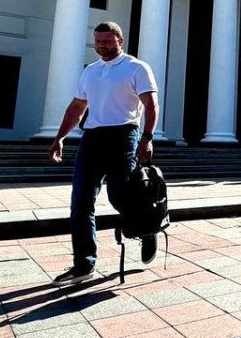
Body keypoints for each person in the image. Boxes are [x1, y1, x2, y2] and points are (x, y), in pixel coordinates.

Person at [50, 21, 159, 279]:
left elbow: (151, 104)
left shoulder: (136, 68)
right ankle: (84, 264)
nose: (102, 46)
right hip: (92, 138)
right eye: (98, 41)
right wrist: (60, 137)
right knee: (80, 201)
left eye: (107, 41)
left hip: (124, 135)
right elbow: (77, 108)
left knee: (120, 197)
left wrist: (147, 138)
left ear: (120, 40)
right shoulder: (90, 71)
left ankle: (148, 229)